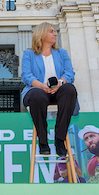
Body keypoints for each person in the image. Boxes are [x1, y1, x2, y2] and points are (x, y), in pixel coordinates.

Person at [21, 22, 78, 157]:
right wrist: (41, 86)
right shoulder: (29, 54)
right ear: (41, 35)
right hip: (37, 90)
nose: (55, 34)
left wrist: (59, 83)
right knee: (37, 95)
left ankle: (60, 138)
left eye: (55, 31)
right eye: (51, 31)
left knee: (69, 89)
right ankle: (43, 141)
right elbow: (26, 75)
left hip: (59, 91)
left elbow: (70, 73)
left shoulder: (61, 53)